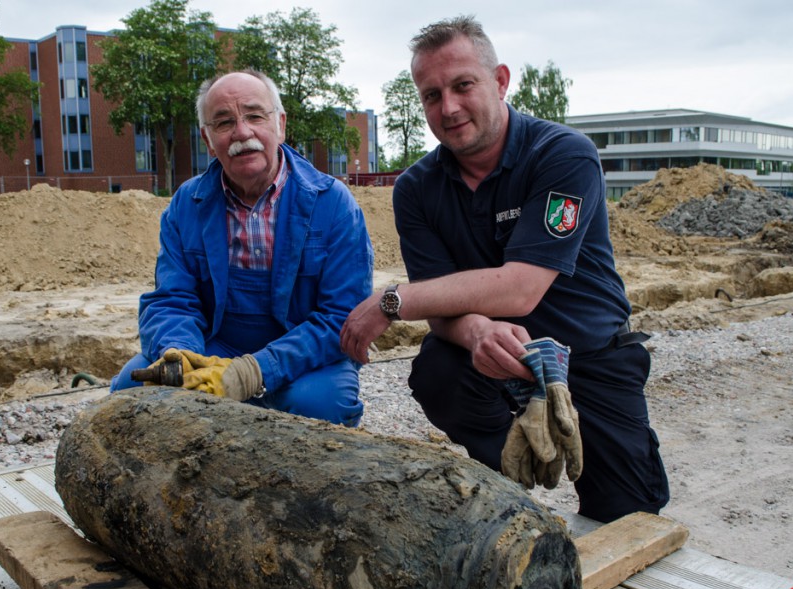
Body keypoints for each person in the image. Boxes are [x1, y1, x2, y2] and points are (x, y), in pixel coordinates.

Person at [339, 16, 668, 522]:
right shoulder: (416, 189)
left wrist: (392, 300)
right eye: (431, 95)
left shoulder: (564, 155)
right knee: (438, 371)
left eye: (462, 85)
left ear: (499, 81)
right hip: (494, 366)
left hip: (589, 356)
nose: (447, 108)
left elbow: (519, 290)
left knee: (628, 519)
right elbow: (441, 308)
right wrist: (476, 336)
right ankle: (510, 499)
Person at [112, 69, 374, 427]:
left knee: (321, 405)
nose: (242, 132)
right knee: (130, 390)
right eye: (224, 122)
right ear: (207, 140)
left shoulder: (333, 204)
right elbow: (172, 298)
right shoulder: (187, 204)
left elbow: (342, 315)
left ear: (280, 124)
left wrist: (254, 372)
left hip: (307, 357)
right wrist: (180, 353)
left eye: (254, 115)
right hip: (214, 347)